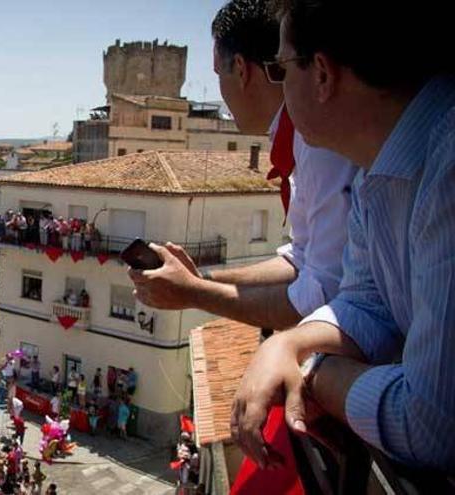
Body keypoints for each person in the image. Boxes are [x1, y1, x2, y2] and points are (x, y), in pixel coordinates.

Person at [231, 0, 455, 472]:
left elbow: (432, 423)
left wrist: (316, 374)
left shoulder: (447, 169)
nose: (282, 87)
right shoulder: (380, 169)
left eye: (283, 67)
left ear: (323, 74)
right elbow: (366, 302)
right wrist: (286, 345)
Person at [129, 0, 356, 332]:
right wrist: (203, 279)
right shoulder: (299, 140)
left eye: (219, 74)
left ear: (240, 68)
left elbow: (320, 294)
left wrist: (195, 293)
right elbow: (302, 261)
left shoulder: (317, 143)